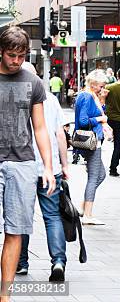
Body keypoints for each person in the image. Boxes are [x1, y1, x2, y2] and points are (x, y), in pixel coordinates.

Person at [0, 27, 56, 300]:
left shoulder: (33, 82)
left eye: (21, 56)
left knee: (15, 229)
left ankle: (5, 296)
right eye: (11, 55)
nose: (16, 61)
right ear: (1, 51)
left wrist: (48, 166)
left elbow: (41, 128)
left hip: (22, 162)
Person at [17, 62, 68, 282]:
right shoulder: (52, 99)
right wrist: (64, 165)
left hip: (23, 166)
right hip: (50, 168)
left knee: (21, 218)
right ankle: (58, 261)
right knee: (52, 217)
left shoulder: (15, 96)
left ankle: (21, 263)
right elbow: (60, 135)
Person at [75, 69, 111, 225]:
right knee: (94, 176)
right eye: (101, 85)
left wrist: (101, 101)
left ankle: (83, 206)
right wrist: (100, 118)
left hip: (94, 141)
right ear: (94, 83)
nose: (102, 88)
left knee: (100, 175)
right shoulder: (86, 96)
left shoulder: (91, 96)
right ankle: (88, 214)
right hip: (91, 142)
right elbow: (84, 121)